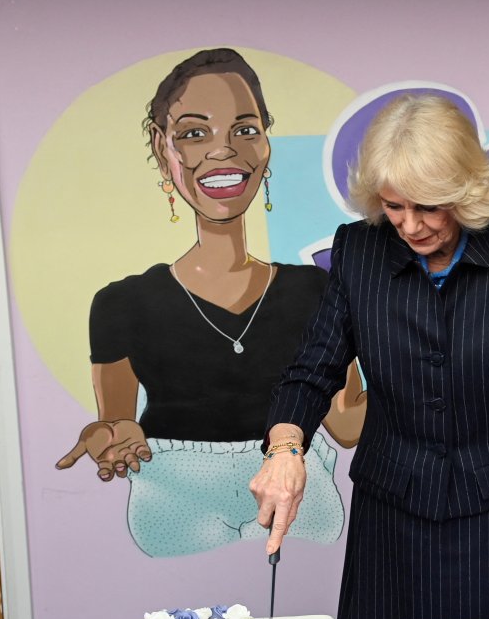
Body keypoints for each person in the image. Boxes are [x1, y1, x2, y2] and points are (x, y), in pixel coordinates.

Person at [251, 94, 489, 619]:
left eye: (429, 206)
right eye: (394, 206)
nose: (409, 225)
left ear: (465, 190)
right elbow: (313, 370)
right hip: (393, 517)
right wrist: (285, 449)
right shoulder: (359, 251)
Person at [56, 48, 362, 557]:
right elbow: (116, 422)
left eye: (245, 129)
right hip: (175, 509)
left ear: (266, 141)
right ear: (162, 148)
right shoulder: (121, 304)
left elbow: (348, 425)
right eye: (194, 133)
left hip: (302, 507)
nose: (224, 151)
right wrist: (111, 434)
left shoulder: (316, 289)